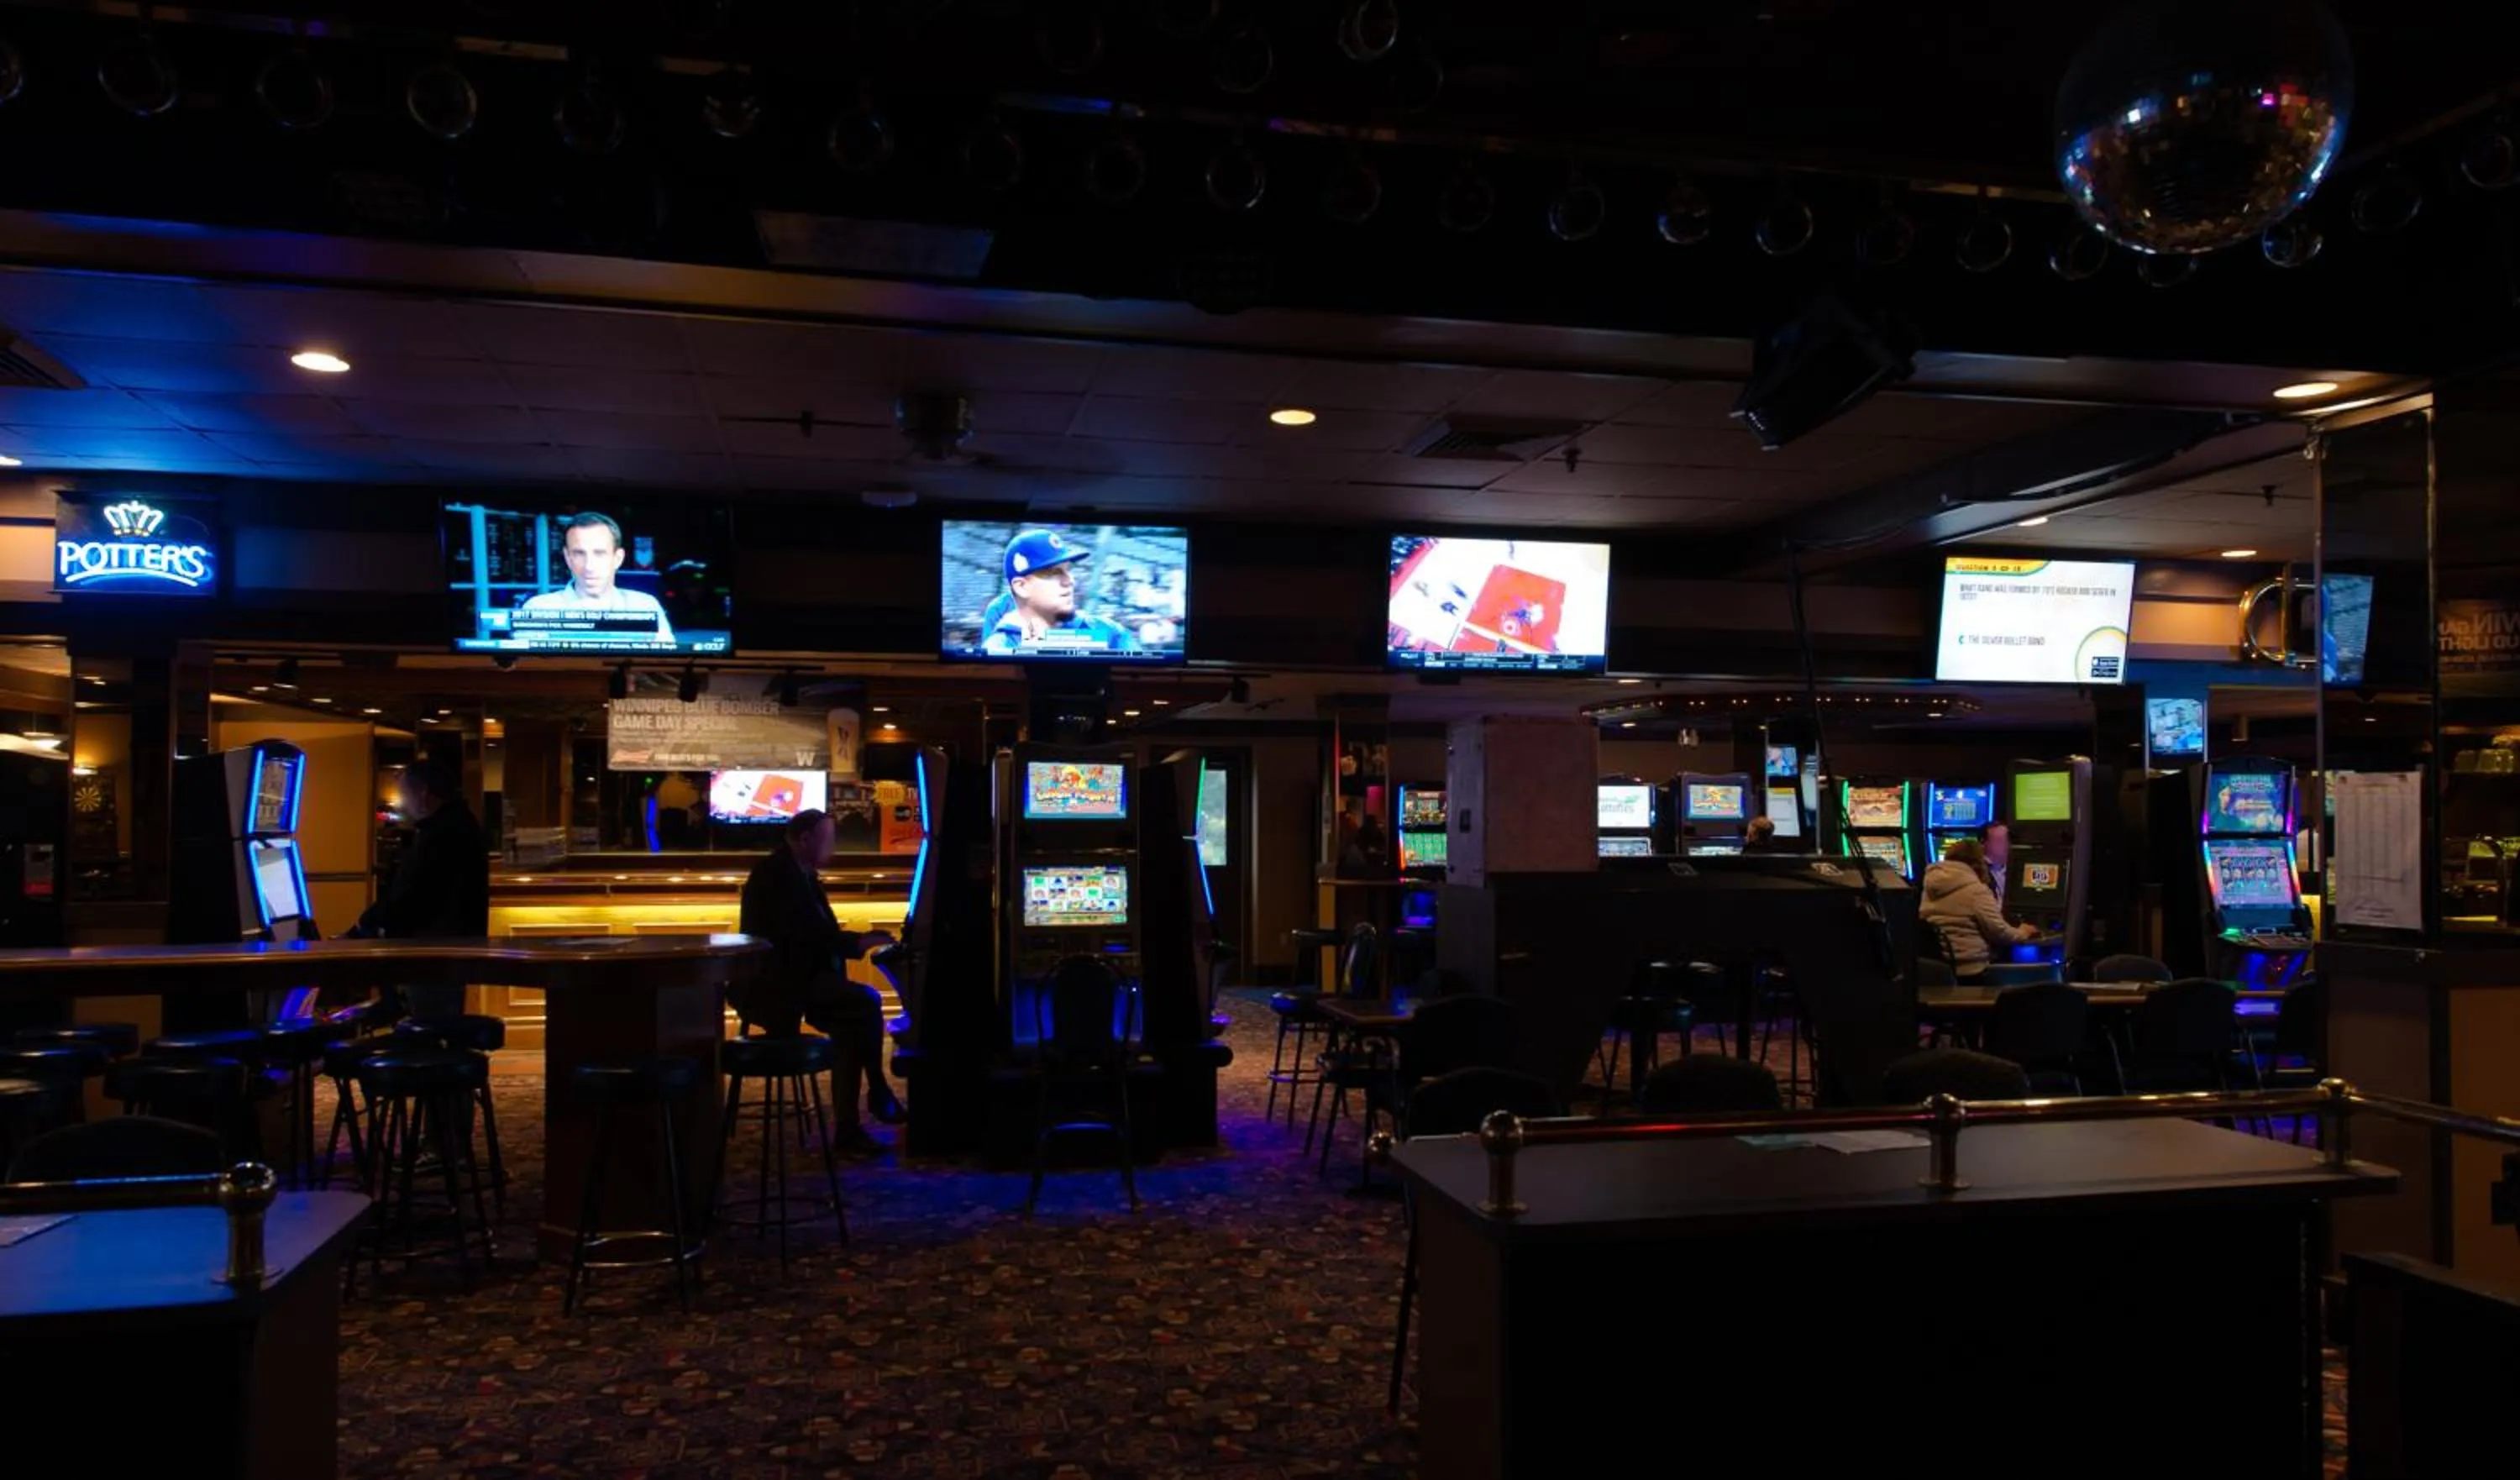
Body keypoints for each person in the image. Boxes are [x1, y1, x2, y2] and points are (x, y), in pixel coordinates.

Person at [738, 808, 901, 1152]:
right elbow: (803, 937)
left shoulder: (801, 872)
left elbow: (815, 935)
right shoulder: (776, 875)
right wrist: (857, 943)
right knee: (866, 1001)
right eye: (828, 839)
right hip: (776, 985)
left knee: (852, 1024)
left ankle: (850, 1126)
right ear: (805, 839)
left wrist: (857, 941)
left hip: (798, 978)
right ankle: (876, 1090)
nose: (833, 848)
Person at [351, 761, 488, 1020]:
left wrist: (363, 927)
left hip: (433, 954)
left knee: (430, 1023)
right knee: (436, 1020)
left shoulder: (443, 833)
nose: (402, 804)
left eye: (404, 794)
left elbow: (412, 897)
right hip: (446, 953)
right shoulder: (455, 823)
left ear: (423, 794)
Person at [517, 511, 675, 646]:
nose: (589, 566)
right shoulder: (539, 609)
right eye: (579, 554)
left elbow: (664, 665)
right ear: (567, 557)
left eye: (599, 553)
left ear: (618, 558)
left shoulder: (645, 606)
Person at [980, 528, 1143, 657]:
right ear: (1021, 587)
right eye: (1053, 573)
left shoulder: (1108, 631)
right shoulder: (999, 648)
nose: (1069, 581)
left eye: (1067, 570)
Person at [1919, 837, 2039, 981]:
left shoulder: (1931, 885)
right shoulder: (1976, 890)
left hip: (1940, 968)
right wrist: (2024, 931)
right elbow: (2000, 932)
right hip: (1973, 969)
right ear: (1977, 863)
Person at [1982, 821, 2011, 908]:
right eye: (1999, 840)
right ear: (1984, 844)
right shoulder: (1976, 871)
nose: (2006, 845)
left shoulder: (2016, 869)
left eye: (2007, 840)